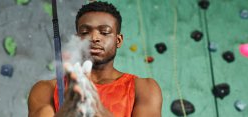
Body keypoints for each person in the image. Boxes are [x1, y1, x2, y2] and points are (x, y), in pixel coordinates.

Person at [28, 1, 162, 117]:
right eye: (85, 32)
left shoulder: (145, 88)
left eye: (104, 32)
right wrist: (66, 112)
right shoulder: (46, 89)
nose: (94, 38)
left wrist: (98, 109)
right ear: (77, 39)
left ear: (118, 40)